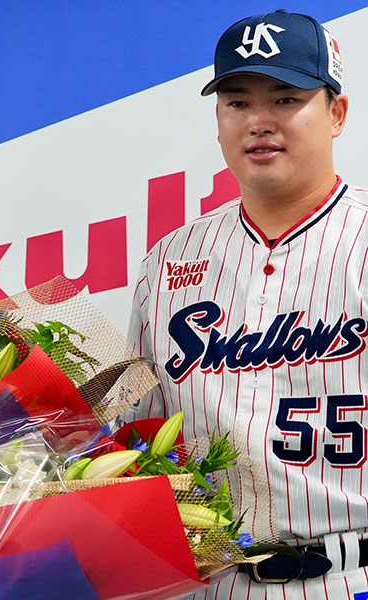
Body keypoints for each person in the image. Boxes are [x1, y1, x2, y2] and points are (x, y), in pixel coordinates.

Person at [129, 10, 368, 599]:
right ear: (218, 122)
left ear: (336, 113)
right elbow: (135, 434)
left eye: (286, 98)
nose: (259, 121)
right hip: (210, 580)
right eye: (237, 103)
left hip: (351, 572)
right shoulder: (167, 263)